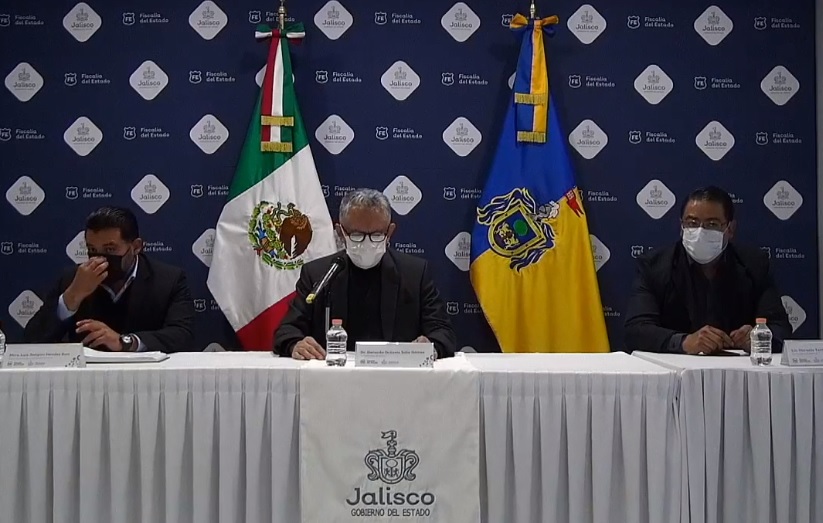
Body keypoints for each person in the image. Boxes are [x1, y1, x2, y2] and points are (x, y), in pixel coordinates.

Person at [274, 188, 456, 359]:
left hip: (397, 376)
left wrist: (430, 345)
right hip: (335, 376)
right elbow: (286, 331)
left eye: (376, 235)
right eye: (357, 235)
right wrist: (295, 344)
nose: (367, 243)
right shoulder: (318, 274)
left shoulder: (414, 274)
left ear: (390, 232)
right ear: (340, 232)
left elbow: (443, 333)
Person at [624, 186, 791, 354]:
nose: (700, 232)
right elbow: (636, 330)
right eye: (692, 223)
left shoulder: (755, 265)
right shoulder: (654, 265)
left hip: (737, 366)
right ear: (681, 227)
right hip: (676, 367)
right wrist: (684, 342)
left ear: (730, 229)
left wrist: (759, 338)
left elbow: (781, 328)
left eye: (712, 224)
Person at [24, 206, 195, 352]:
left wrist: (125, 342)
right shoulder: (72, 279)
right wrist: (72, 296)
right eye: (92, 249)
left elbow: (183, 335)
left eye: (110, 249)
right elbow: (32, 340)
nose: (100, 259)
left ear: (136, 247)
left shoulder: (168, 280)